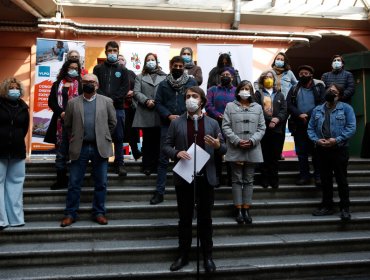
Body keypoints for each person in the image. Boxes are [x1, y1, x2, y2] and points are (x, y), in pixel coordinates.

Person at [163, 86, 226, 273]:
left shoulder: (213, 123)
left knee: (205, 219)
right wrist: (176, 153)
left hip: (206, 177)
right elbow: (166, 146)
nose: (190, 99)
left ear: (202, 101)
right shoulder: (176, 123)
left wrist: (217, 146)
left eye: (194, 96)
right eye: (187, 96)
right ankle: (183, 255)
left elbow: (224, 149)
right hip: (184, 177)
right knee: (184, 219)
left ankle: (207, 256)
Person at [60, 74, 117, 227]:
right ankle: (70, 214)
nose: (88, 84)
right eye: (85, 82)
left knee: (101, 183)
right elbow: (68, 125)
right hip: (80, 147)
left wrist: (103, 135)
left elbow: (113, 123)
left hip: (100, 147)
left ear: (97, 85)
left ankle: (99, 212)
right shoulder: (72, 103)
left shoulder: (107, 102)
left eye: (91, 82)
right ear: (81, 84)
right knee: (74, 182)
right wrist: (76, 136)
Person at [151, 56, 197, 205]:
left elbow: (197, 100)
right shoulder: (164, 84)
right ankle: (159, 192)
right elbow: (158, 103)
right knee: (163, 159)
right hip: (167, 124)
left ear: (184, 67)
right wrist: (168, 115)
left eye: (180, 66)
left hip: (186, 122)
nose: (178, 68)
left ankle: (189, 191)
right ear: (170, 66)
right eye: (175, 66)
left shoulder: (191, 82)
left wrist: (185, 116)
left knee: (187, 157)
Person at [307, 83, 356, 221]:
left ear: (339, 95)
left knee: (341, 179)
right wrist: (316, 140)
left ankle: (345, 208)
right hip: (322, 150)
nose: (330, 92)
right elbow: (310, 128)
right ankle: (327, 206)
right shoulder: (317, 110)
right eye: (329, 90)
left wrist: (337, 140)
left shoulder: (346, 108)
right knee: (325, 179)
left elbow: (351, 127)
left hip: (339, 149)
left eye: (334, 91)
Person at [222, 80, 265, 224]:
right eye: (243, 88)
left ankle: (246, 208)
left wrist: (252, 140)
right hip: (236, 148)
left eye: (248, 89)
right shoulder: (229, 106)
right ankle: (238, 209)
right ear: (238, 90)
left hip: (252, 148)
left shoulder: (258, 107)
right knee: (236, 179)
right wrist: (236, 140)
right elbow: (226, 126)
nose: (245, 91)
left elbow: (261, 128)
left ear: (252, 91)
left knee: (249, 180)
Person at [44, 60, 83, 190]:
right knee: (61, 153)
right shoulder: (57, 84)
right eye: (71, 68)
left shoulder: (81, 84)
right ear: (66, 69)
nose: (74, 70)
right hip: (60, 122)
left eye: (76, 68)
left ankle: (74, 180)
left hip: (76, 123)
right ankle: (61, 180)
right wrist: (61, 112)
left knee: (75, 152)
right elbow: (51, 102)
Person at [93, 41, 129, 176]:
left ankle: (119, 164)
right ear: (106, 52)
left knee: (119, 137)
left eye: (115, 51)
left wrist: (112, 99)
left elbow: (125, 88)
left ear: (118, 52)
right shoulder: (98, 69)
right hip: (101, 107)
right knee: (101, 136)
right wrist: (105, 100)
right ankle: (101, 163)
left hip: (118, 108)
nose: (112, 53)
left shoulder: (123, 70)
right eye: (110, 51)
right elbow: (96, 86)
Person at [286, 65, 325, 186]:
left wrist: (307, 115)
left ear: (311, 75)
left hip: (315, 125)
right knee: (301, 153)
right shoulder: (293, 88)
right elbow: (288, 104)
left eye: (306, 73)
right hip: (299, 125)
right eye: (301, 73)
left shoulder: (319, 87)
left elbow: (322, 103)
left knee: (317, 152)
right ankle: (304, 176)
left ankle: (318, 176)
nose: (303, 75)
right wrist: (299, 114)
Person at [0, 77, 29, 229]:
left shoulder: (24, 107)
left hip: (17, 150)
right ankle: (1, 220)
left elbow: (24, 128)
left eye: (17, 88)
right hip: (0, 149)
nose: (14, 90)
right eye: (11, 87)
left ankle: (16, 219)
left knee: (16, 183)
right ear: (5, 89)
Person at [133, 53, 167, 175]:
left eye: (153, 60)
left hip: (160, 112)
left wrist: (157, 102)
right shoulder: (140, 77)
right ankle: (147, 166)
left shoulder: (165, 77)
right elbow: (136, 92)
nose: (151, 62)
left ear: (157, 62)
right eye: (148, 60)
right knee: (147, 141)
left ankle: (158, 166)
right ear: (145, 62)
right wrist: (146, 100)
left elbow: (166, 92)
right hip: (145, 112)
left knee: (159, 141)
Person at [255, 70, 287, 188]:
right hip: (263, 129)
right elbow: (257, 109)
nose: (268, 79)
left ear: (274, 79)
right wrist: (269, 120)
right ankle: (264, 179)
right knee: (264, 155)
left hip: (277, 130)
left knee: (274, 156)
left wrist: (277, 119)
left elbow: (284, 110)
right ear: (262, 80)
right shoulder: (258, 94)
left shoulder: (280, 94)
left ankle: (274, 179)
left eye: (270, 77)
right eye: (266, 77)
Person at [205, 67, 237, 185]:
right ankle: (217, 177)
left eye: (228, 74)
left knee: (230, 150)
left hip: (232, 125)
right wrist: (218, 115)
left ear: (232, 77)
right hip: (215, 124)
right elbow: (208, 105)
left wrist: (229, 117)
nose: (225, 76)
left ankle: (230, 177)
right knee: (217, 151)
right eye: (223, 74)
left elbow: (239, 105)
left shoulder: (236, 91)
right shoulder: (213, 89)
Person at [118, 54, 141, 160]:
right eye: (119, 59)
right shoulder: (114, 73)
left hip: (131, 107)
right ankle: (121, 156)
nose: (120, 60)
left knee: (133, 130)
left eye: (122, 59)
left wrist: (133, 92)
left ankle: (136, 153)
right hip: (118, 106)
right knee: (120, 131)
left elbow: (137, 86)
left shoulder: (131, 73)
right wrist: (123, 93)